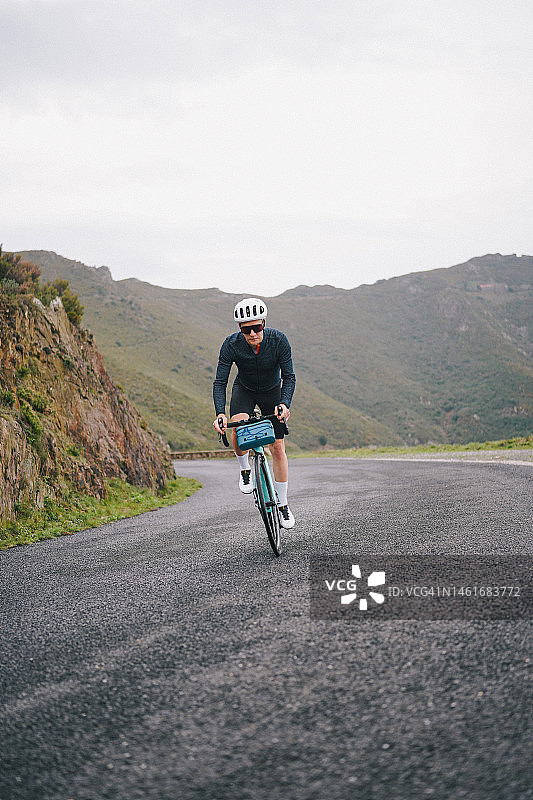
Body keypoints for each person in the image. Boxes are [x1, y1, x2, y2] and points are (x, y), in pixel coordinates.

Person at [212, 297, 296, 528]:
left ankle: (283, 504)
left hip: (272, 391)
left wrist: (285, 404)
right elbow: (220, 382)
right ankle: (245, 469)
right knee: (238, 429)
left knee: (277, 447)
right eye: (246, 329)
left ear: (264, 324)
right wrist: (220, 413)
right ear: (239, 329)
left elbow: (289, 377)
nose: (252, 334)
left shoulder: (278, 340)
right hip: (245, 390)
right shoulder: (231, 345)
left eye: (257, 328)